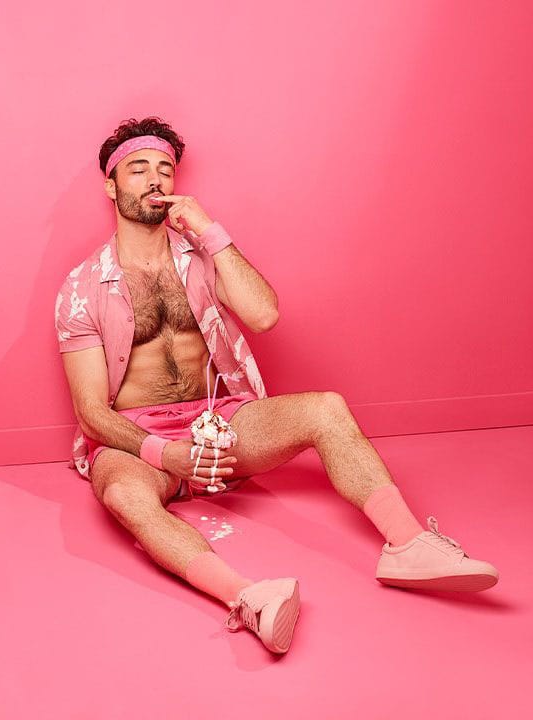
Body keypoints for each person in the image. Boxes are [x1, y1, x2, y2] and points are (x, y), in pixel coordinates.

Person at [54, 116, 499, 655]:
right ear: (111, 186)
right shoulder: (81, 288)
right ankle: (250, 598)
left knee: (327, 408)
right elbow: (92, 414)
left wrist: (211, 232)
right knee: (124, 495)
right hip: (139, 442)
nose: (155, 180)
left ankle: (408, 545)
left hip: (219, 423)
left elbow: (264, 315)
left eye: (165, 170)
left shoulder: (201, 256)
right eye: (138, 169)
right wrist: (165, 454)